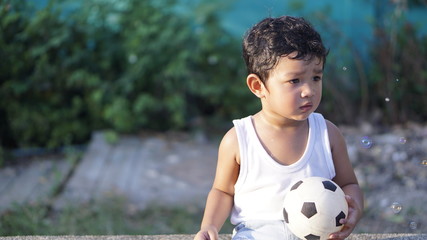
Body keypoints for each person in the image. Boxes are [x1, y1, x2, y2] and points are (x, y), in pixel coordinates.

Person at [194, 16, 364, 240]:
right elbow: (223, 191)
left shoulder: (327, 134)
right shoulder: (239, 140)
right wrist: (209, 227)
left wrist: (354, 210)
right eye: (295, 81)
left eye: (316, 77)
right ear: (258, 86)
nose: (309, 91)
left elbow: (349, 184)